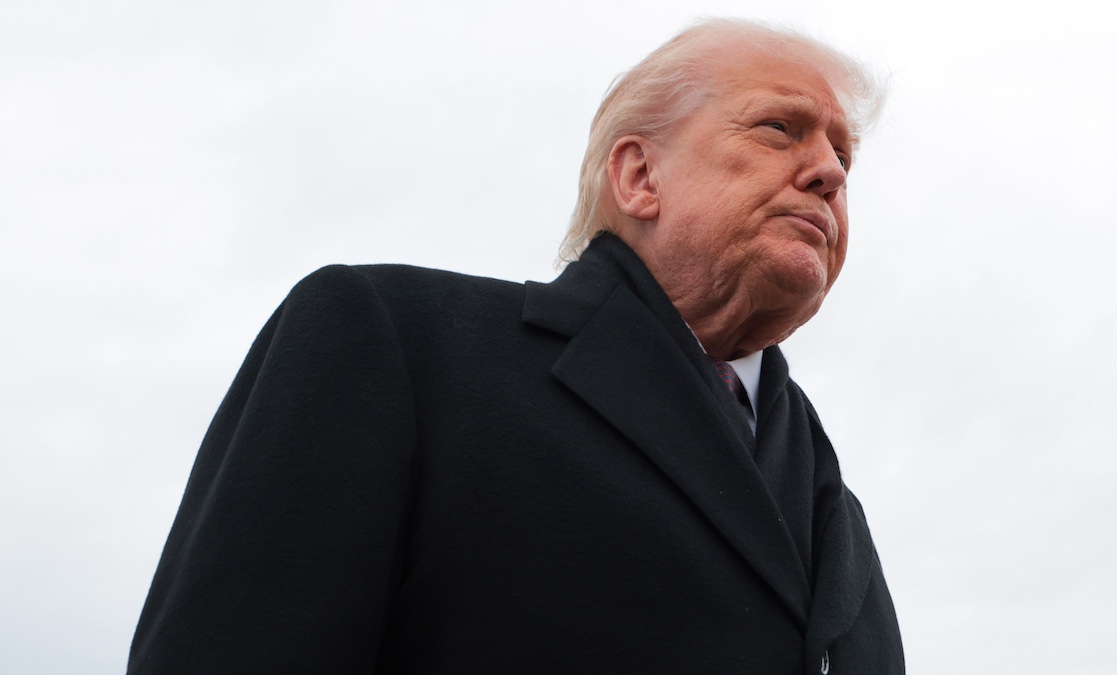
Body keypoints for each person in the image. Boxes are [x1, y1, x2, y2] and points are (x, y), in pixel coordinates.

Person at [129, 18, 904, 674]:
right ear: (639, 176)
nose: (829, 172)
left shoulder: (836, 505)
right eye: (781, 128)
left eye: (844, 156)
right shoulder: (395, 343)